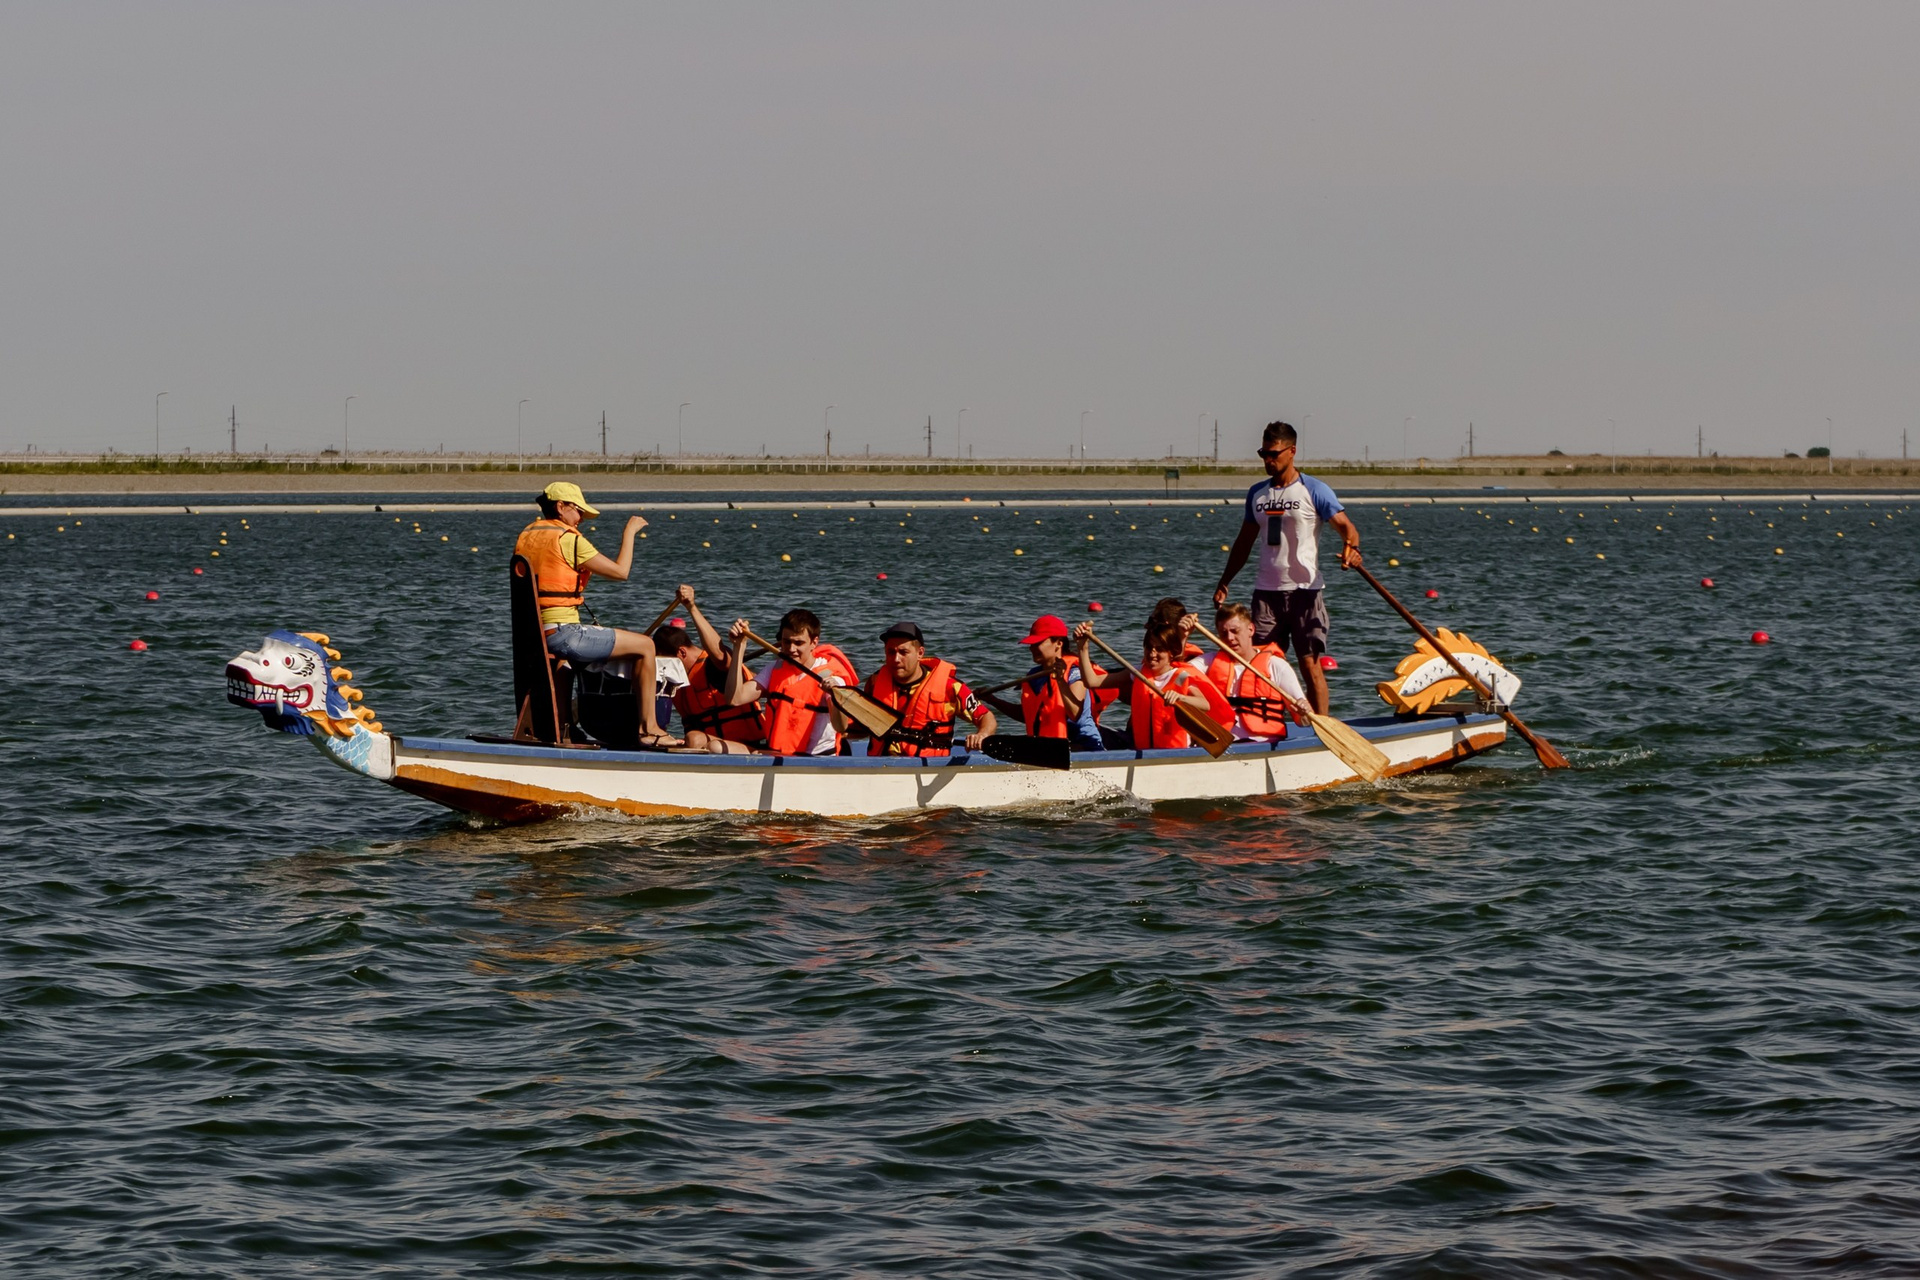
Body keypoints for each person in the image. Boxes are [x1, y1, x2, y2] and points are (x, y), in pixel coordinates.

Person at [513, 481, 679, 748]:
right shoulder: (569, 539)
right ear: (561, 507)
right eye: (578, 511)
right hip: (563, 634)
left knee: (565, 662)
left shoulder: (527, 535)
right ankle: (649, 728)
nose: (581, 518)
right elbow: (621, 572)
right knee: (646, 646)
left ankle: (564, 728)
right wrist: (629, 532)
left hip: (535, 635)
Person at [1212, 420, 1363, 714]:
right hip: (1266, 594)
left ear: (1292, 451)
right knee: (1261, 664)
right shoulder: (1257, 494)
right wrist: (1225, 580)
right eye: (1263, 454)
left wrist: (1352, 550)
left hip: (1305, 592)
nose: (1268, 460)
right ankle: (1266, 726)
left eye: (1274, 454)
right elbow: (1243, 542)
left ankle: (1323, 729)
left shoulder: (1314, 490)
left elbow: (1348, 529)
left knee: (1309, 665)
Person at [1073, 618, 1232, 751]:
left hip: (1175, 752)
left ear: (1171, 653)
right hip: (1143, 751)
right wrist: (1083, 648)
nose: (1152, 654)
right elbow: (1091, 681)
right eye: (1149, 647)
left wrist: (1180, 697)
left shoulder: (1180, 677)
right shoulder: (1137, 673)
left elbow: (1204, 704)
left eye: (1159, 649)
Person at [722, 608, 859, 756]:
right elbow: (735, 698)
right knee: (716, 747)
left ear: (814, 642)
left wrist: (835, 696)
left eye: (798, 643)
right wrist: (739, 647)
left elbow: (840, 727)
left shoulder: (832, 677)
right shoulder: (775, 669)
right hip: (778, 754)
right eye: (786, 642)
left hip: (817, 758)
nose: (791, 649)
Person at [856, 621, 997, 756]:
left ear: (920, 653)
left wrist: (982, 735)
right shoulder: (874, 683)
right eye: (891, 652)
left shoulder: (951, 687)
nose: (896, 659)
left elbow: (986, 717)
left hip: (929, 765)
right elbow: (861, 727)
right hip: (882, 764)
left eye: (903, 652)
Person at [654, 584, 765, 754]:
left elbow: (720, 655)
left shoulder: (713, 668)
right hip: (713, 744)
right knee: (689, 739)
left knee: (694, 738)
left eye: (665, 662)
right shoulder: (677, 682)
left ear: (682, 653)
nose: (663, 669)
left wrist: (691, 607)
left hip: (749, 747)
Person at [1204, 602, 1309, 742]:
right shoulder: (1208, 662)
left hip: (1264, 743)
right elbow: (1176, 672)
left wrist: (1304, 713)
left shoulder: (1276, 666)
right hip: (1222, 744)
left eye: (1235, 631)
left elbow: (1304, 722)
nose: (1229, 638)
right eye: (1224, 633)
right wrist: (1183, 636)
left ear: (1251, 629)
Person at [1012, 614, 1109, 752]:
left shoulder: (1075, 671)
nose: (1032, 648)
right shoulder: (1033, 676)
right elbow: (1027, 716)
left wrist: (1060, 679)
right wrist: (992, 700)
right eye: (1031, 644)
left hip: (1084, 745)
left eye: (1038, 643)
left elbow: (1075, 713)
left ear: (1059, 643)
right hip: (1050, 747)